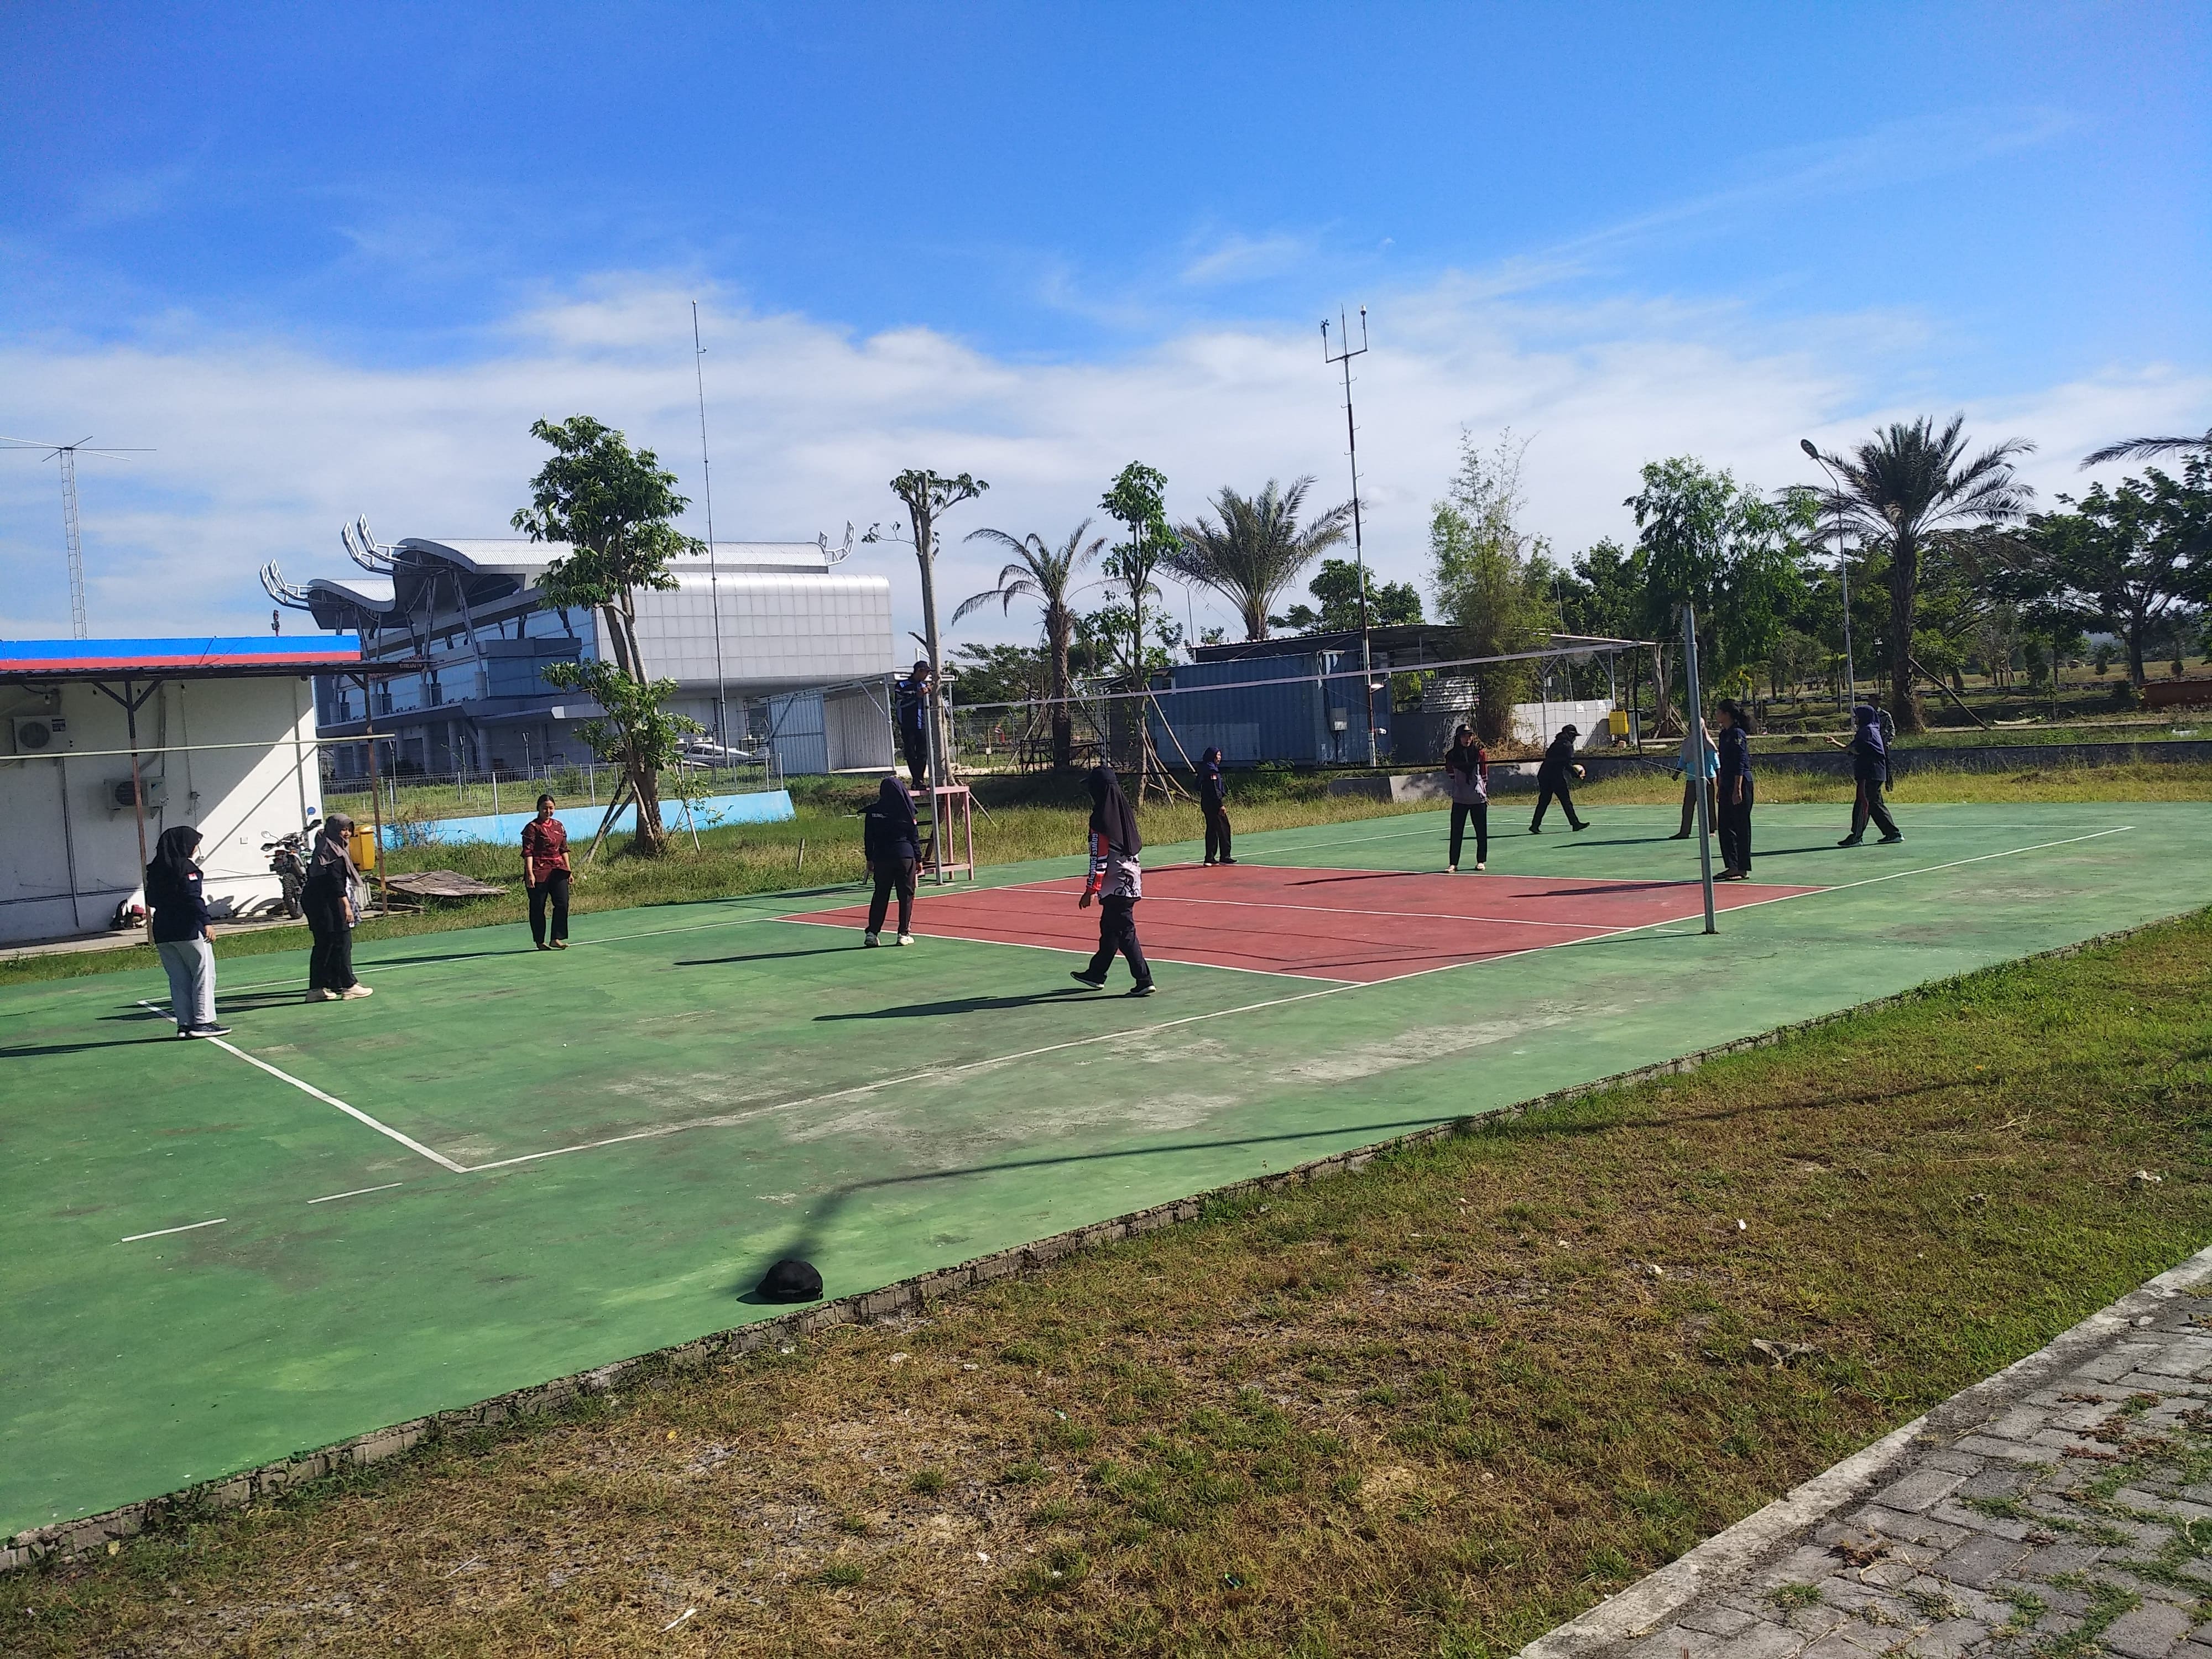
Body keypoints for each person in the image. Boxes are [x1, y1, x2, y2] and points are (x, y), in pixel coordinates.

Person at [1071, 764, 1153, 997]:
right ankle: (1097, 973)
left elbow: (1099, 858)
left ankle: (1144, 979)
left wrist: (1090, 890)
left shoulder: (1100, 820)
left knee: (1125, 932)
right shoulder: (1125, 814)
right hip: (1131, 882)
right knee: (1110, 930)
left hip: (1115, 886)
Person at [145, 825, 229, 1038]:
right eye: (194, 844)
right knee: (203, 974)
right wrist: (206, 922)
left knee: (178, 978)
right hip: (188, 928)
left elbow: (151, 900)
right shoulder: (186, 868)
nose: (195, 848)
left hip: (163, 930)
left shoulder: (155, 869)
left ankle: (184, 1024)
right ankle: (203, 1022)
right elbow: (194, 898)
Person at [302, 815, 372, 1001]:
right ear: (334, 830)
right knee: (341, 941)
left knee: (326, 945)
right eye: (343, 829)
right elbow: (334, 882)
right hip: (325, 903)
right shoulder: (330, 850)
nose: (347, 833)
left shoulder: (332, 847)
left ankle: (319, 988)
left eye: (349, 829)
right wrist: (347, 907)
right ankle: (349, 986)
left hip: (321, 901)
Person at [1828, 703, 1901, 846]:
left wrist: (1848, 748)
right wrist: (1835, 742)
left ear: (1863, 717)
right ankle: (1893, 834)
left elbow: (1857, 750)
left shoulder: (1867, 731)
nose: (1855, 718)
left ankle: (1856, 837)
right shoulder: (1870, 730)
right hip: (1875, 773)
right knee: (1874, 804)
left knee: (1863, 803)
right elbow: (1851, 749)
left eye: (1857, 716)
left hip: (1869, 773)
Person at [860, 775, 920, 946]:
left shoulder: (873, 812)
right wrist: (919, 858)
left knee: (881, 894)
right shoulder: (907, 811)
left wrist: (869, 858)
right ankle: (903, 933)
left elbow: (868, 837)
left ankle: (872, 933)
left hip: (882, 858)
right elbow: (914, 837)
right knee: (906, 895)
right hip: (905, 856)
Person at [520, 794, 571, 950]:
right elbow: (528, 852)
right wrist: (530, 873)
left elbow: (564, 849)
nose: (548, 811)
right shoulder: (532, 828)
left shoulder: (559, 826)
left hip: (558, 869)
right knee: (538, 906)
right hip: (538, 870)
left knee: (562, 903)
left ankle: (556, 938)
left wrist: (569, 870)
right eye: (545, 808)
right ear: (539, 809)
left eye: (551, 808)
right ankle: (539, 941)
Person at [1713, 698, 1755, 880]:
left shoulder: (1738, 734)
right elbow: (1724, 762)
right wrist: (1721, 783)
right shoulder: (1724, 734)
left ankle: (1742, 868)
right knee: (1725, 825)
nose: (1716, 714)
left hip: (1740, 783)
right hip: (1727, 783)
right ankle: (1731, 865)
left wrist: (1737, 789)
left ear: (1727, 714)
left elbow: (1740, 762)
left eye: (1719, 711)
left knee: (1740, 826)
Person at [1442, 724, 1489, 873]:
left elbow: (1484, 773)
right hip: (1460, 798)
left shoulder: (1479, 753)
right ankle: (1453, 863)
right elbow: (1450, 773)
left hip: (1477, 798)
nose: (1467, 739)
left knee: (1481, 831)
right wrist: (1460, 783)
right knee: (1456, 831)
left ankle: (1481, 860)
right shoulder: (1451, 755)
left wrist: (1482, 791)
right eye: (1463, 736)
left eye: (1469, 736)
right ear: (1458, 738)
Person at [1528, 725, 1588, 833]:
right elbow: (1567, 763)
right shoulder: (1568, 746)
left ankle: (1535, 825)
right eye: (1574, 736)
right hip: (1555, 776)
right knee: (1566, 801)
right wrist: (1576, 775)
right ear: (1570, 735)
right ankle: (1575, 824)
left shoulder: (1555, 744)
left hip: (1544, 774)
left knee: (1544, 801)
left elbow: (1550, 757)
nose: (1575, 739)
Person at [1670, 717, 1719, 840]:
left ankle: (1711, 830)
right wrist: (1677, 773)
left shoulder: (1706, 742)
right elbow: (1683, 759)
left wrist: (1719, 777)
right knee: (1688, 805)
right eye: (1692, 726)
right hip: (1692, 779)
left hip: (1707, 779)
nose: (1694, 729)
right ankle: (1684, 831)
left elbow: (1715, 761)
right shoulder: (1687, 742)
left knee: (1709, 805)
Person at [894, 658, 934, 790]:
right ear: (919, 671)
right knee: (911, 753)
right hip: (908, 725)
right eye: (926, 672)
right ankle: (916, 780)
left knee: (923, 753)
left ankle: (920, 780)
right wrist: (917, 696)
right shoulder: (902, 685)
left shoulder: (924, 686)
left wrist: (930, 695)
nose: (927, 675)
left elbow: (929, 705)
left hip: (922, 725)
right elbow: (901, 704)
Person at [1198, 746, 1235, 865]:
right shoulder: (1211, 770)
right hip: (1213, 804)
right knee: (1224, 829)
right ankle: (1225, 856)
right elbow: (1214, 789)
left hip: (1206, 803)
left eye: (1220, 755)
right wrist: (1220, 805)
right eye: (1217, 755)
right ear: (1212, 756)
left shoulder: (1204, 768)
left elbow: (1197, 785)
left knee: (1212, 829)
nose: (1219, 758)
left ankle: (1210, 858)